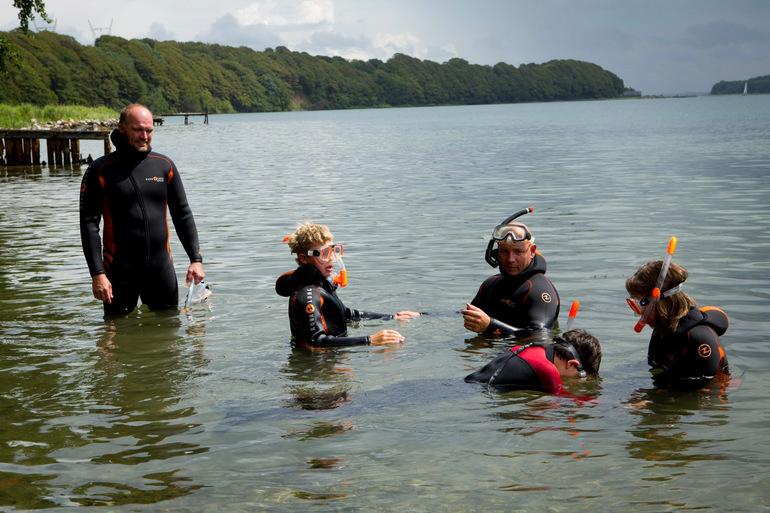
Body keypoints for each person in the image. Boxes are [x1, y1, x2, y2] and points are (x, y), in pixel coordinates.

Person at [79, 103, 204, 315]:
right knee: (116, 338)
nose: (144, 135)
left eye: (149, 130)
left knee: (168, 334)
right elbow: (89, 224)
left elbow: (182, 214)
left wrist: (196, 260)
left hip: (160, 268)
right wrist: (97, 274)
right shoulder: (100, 170)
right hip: (119, 271)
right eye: (138, 129)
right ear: (122, 128)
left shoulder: (164, 166)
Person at [276, 222, 419, 346]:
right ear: (304, 258)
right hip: (317, 369)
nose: (331, 258)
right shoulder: (309, 293)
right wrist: (370, 340)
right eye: (325, 253)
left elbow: (348, 315)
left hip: (333, 361)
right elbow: (316, 341)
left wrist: (393, 317)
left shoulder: (322, 285)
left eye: (334, 250)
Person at [626, 260, 729, 388]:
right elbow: (657, 368)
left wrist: (649, 400)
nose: (639, 313)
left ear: (659, 302)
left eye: (639, 304)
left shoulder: (699, 337)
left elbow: (712, 390)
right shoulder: (663, 331)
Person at [463, 207, 560, 336]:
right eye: (504, 251)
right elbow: (470, 314)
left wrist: (490, 326)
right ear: (496, 253)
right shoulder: (490, 285)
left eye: (518, 252)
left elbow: (539, 337)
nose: (510, 259)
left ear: (531, 251)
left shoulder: (539, 291)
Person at [465, 329, 601, 394]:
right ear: (572, 364)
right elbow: (563, 405)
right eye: (580, 377)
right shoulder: (548, 371)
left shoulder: (527, 348)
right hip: (472, 395)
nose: (576, 381)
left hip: (467, 385)